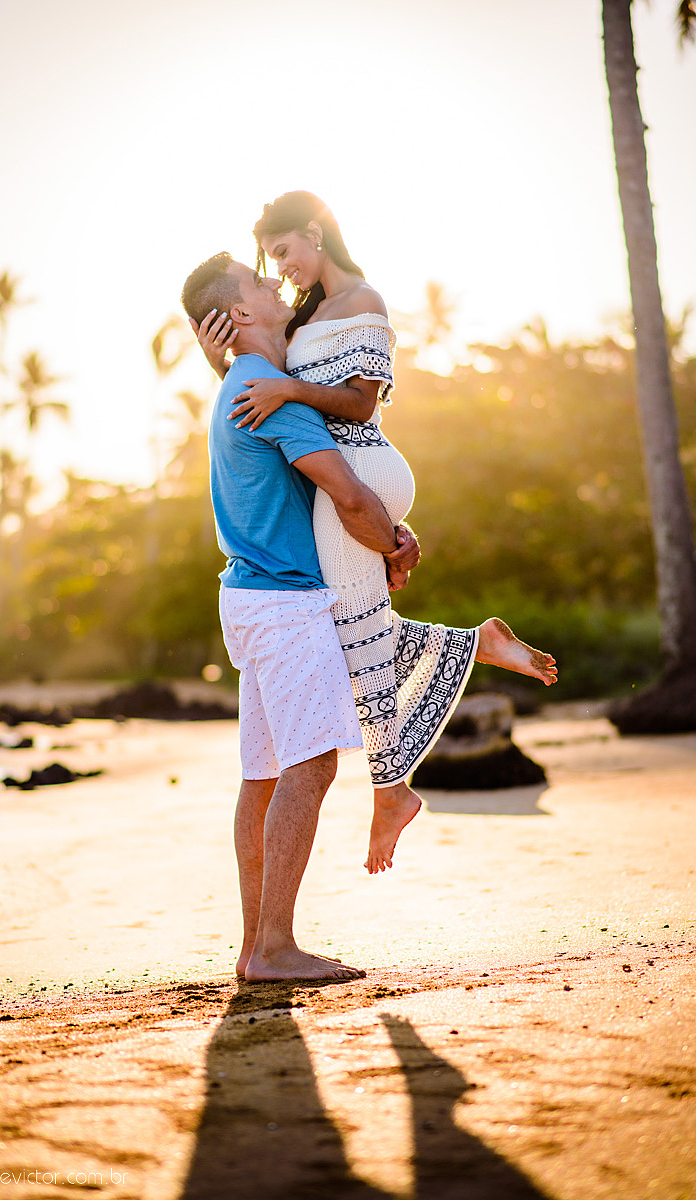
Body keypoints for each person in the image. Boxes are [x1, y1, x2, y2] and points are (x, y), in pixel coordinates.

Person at [192, 192, 558, 875]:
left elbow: (358, 402)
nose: (282, 271)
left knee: (356, 628)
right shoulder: (298, 319)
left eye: (284, 253)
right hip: (348, 489)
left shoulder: (365, 301)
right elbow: (262, 384)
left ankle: (392, 788)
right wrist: (219, 358)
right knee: (355, 626)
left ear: (314, 232)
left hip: (357, 473)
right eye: (269, 264)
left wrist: (379, 521)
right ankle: (465, 659)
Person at [181, 251, 417, 982]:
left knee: (263, 776)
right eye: (258, 282)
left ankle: (257, 948)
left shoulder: (241, 384)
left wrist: (215, 353)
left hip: (250, 599)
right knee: (309, 765)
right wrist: (395, 544)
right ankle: (276, 947)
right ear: (242, 315)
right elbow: (345, 493)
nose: (275, 281)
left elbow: (251, 374)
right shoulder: (270, 394)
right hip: (284, 602)